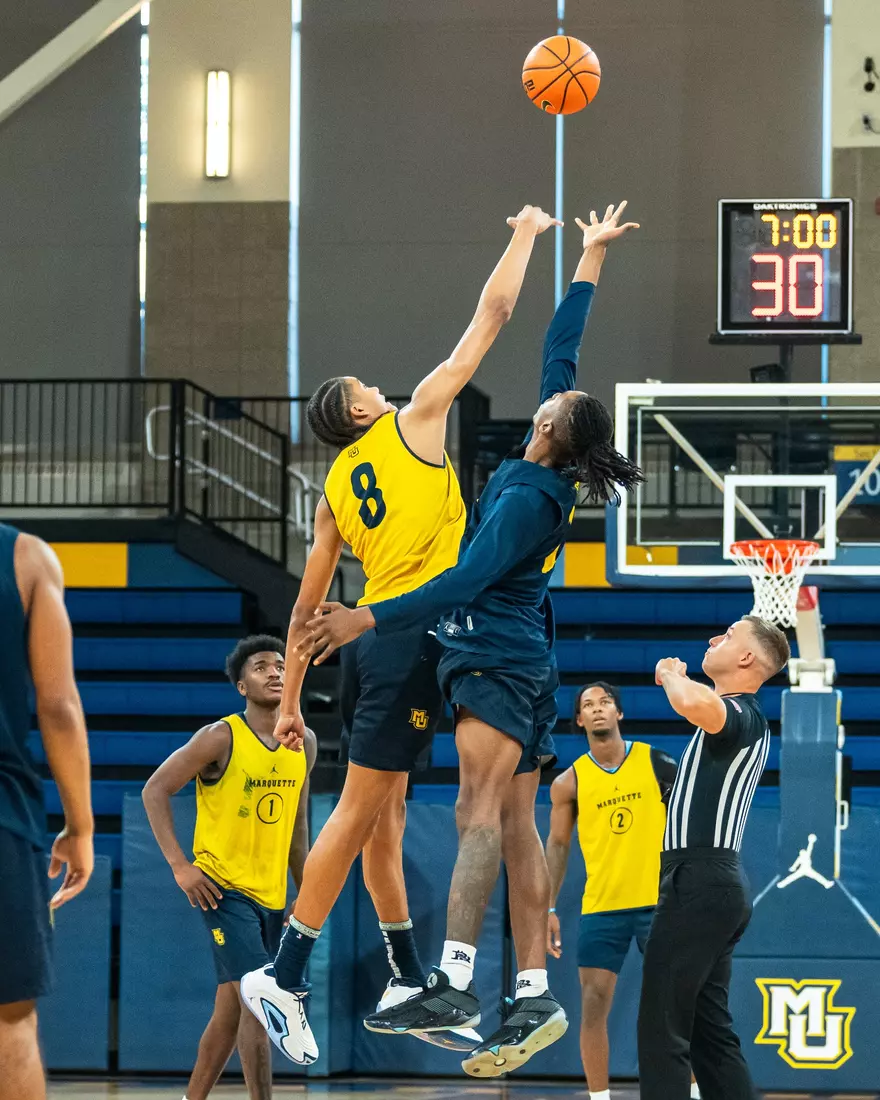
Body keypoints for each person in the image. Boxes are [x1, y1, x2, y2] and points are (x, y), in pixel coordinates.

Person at [300, 202, 643, 1078]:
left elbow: (462, 580)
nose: (551, 388)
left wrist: (366, 617)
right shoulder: (546, 453)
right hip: (525, 658)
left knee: (475, 812)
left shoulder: (528, 496)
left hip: (493, 653)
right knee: (518, 824)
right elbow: (561, 347)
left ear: (553, 427)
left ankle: (453, 982)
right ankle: (531, 993)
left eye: (554, 399)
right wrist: (590, 259)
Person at [240, 205, 560, 1064]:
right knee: (358, 811)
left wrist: (293, 701)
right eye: (364, 388)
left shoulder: (334, 491)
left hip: (372, 642)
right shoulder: (414, 418)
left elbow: (306, 611)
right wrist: (525, 235)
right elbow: (492, 315)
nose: (378, 388)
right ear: (357, 410)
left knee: (384, 818)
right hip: (409, 634)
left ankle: (406, 976)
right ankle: (285, 972)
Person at [142, 636, 316, 1095]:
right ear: (242, 686)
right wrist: (180, 866)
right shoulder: (220, 736)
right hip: (222, 889)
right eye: (261, 667)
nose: (275, 672)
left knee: (230, 1010)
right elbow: (155, 790)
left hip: (271, 895)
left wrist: (307, 893)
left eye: (280, 665)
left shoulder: (304, 742)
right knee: (259, 1000)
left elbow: (298, 826)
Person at [636, 615, 790, 1100]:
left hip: (700, 879)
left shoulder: (742, 713)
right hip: (712, 883)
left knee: (661, 1028)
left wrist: (670, 672)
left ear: (746, 657)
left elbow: (690, 702)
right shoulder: (742, 718)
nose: (713, 638)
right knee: (709, 1033)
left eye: (727, 635)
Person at [545, 682, 685, 1100]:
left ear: (619, 713)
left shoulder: (657, 763)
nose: (598, 709)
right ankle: (599, 1097)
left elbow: (688, 826)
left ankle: (694, 1091)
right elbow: (557, 846)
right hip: (602, 908)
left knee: (678, 1005)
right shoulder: (569, 782)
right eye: (588, 705)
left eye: (605, 702)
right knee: (593, 1006)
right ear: (580, 719)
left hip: (659, 904)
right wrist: (548, 908)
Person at [0, 524, 94, 1100]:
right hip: (3, 819)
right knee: (9, 1020)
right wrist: (80, 827)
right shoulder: (26, 558)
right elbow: (58, 705)